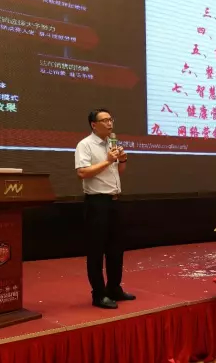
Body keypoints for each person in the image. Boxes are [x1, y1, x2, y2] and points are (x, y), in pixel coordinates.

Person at [75, 108, 136, 309]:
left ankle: (114, 288)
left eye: (111, 119)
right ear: (94, 125)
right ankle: (99, 294)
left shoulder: (112, 143)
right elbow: (82, 172)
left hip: (114, 201)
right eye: (105, 120)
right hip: (96, 203)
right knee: (96, 251)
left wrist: (122, 160)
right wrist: (107, 160)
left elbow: (117, 171)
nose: (110, 123)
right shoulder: (85, 145)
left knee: (116, 249)